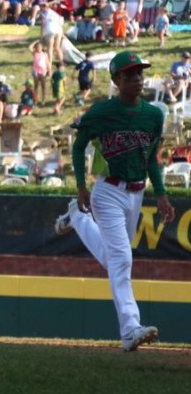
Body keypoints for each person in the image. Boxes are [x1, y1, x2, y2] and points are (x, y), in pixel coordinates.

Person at [54, 51, 174, 351]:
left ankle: (77, 218)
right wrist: (81, 185)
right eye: (129, 74)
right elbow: (79, 147)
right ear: (116, 80)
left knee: (113, 259)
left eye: (139, 73)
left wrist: (161, 194)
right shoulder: (101, 112)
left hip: (137, 192)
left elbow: (151, 159)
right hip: (107, 191)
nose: (137, 79)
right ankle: (130, 328)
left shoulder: (153, 115)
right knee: (122, 259)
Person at [30, 41, 49, 105]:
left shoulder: (44, 54)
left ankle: (43, 99)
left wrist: (49, 70)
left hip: (43, 71)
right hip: (36, 71)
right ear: (35, 48)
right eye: (37, 47)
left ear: (42, 47)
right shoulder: (35, 53)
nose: (38, 48)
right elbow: (30, 47)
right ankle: (35, 99)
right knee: (36, 86)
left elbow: (47, 62)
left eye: (40, 47)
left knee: (43, 86)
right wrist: (35, 42)